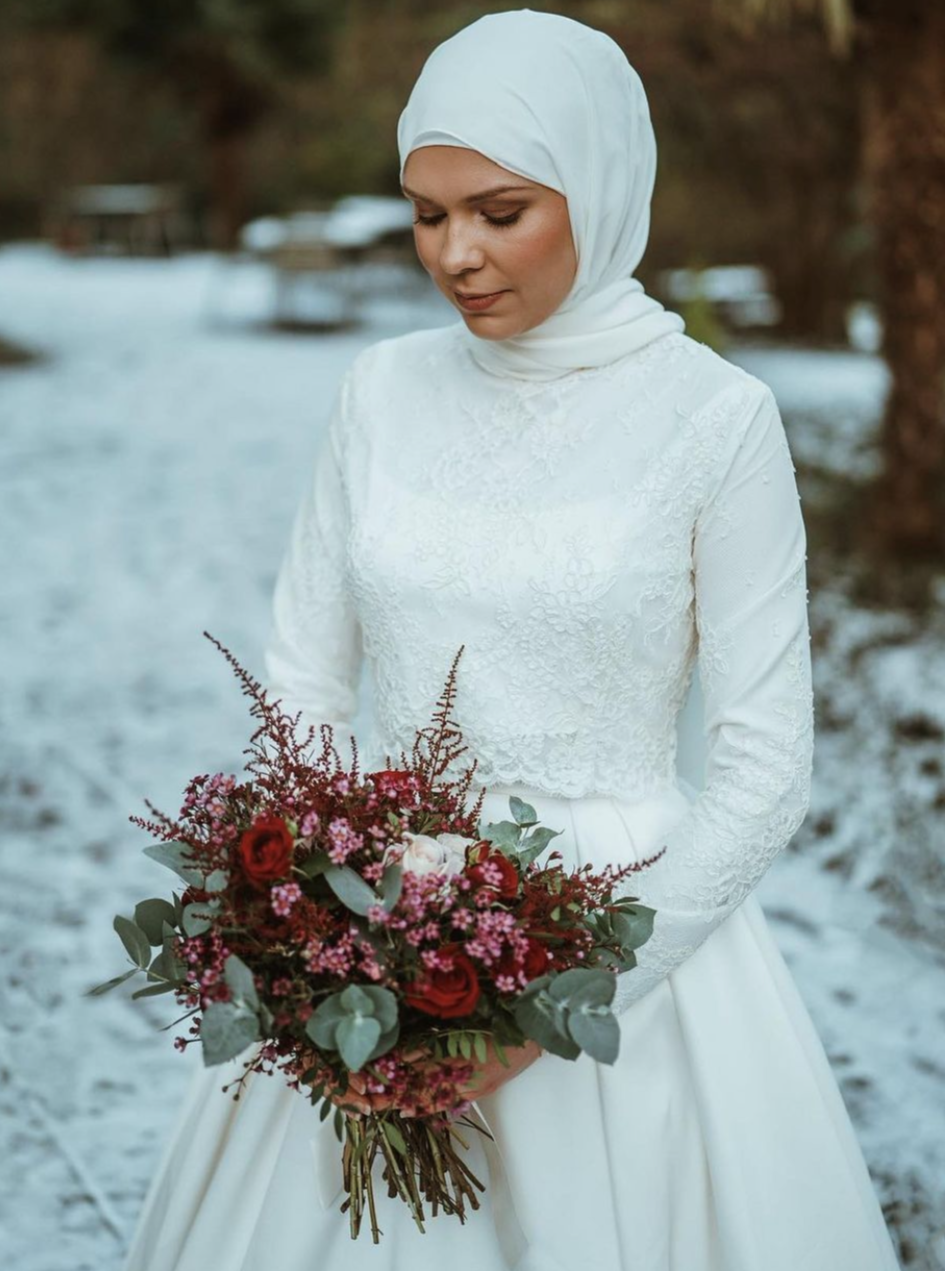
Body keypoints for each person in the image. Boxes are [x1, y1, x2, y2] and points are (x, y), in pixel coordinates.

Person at [122, 10, 903, 1270]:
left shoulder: (717, 419)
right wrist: (332, 906)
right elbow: (307, 671)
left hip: (622, 944)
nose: (457, 255)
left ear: (597, 184)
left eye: (498, 210)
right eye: (428, 215)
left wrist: (566, 992)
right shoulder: (379, 389)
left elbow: (766, 768)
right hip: (368, 917)